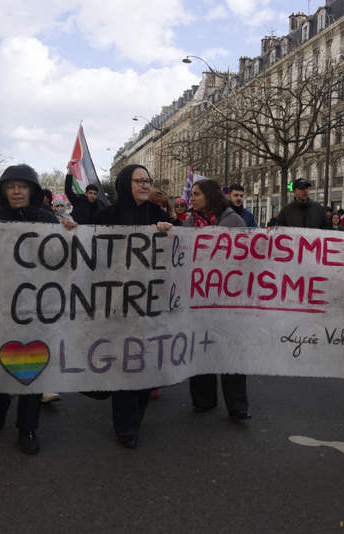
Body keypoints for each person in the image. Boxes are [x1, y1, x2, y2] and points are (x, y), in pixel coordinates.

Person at [0, 164, 74, 454]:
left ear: (32, 190)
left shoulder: (47, 219)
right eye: (11, 186)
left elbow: (61, 257)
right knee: (2, 361)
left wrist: (70, 234)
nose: (17, 191)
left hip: (37, 305)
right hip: (1, 304)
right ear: (3, 190)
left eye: (23, 186)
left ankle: (28, 428)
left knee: (33, 365)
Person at [93, 164, 173, 449]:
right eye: (139, 181)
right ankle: (125, 426)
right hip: (117, 304)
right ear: (126, 183)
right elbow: (92, 253)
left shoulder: (159, 216)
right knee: (125, 364)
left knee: (146, 363)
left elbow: (177, 254)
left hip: (151, 304)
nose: (144, 185)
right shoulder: (107, 217)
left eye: (148, 181)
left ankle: (136, 415)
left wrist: (168, 233)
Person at [183, 179, 250, 420]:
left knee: (230, 351)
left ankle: (237, 406)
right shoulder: (189, 222)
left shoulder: (234, 221)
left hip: (228, 300)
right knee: (200, 348)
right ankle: (203, 400)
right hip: (199, 298)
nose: (192, 198)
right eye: (191, 194)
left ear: (209, 196)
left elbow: (246, 259)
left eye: (197, 194)